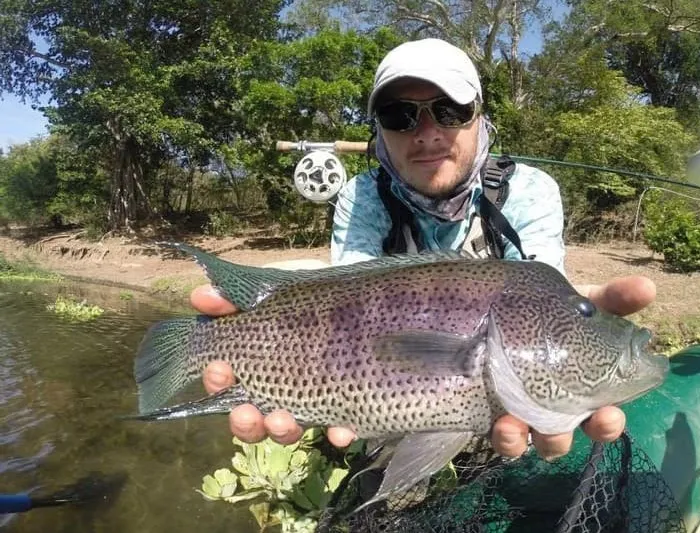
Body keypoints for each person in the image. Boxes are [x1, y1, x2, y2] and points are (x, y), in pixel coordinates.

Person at [190, 38, 656, 461]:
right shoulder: (362, 197)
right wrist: (278, 292)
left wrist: (576, 324)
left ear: (480, 115)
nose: (428, 132)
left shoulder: (530, 191)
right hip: (380, 403)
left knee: (517, 441)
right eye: (400, 115)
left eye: (450, 109)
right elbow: (352, 314)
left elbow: (535, 303)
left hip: (497, 418)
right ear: (380, 130)